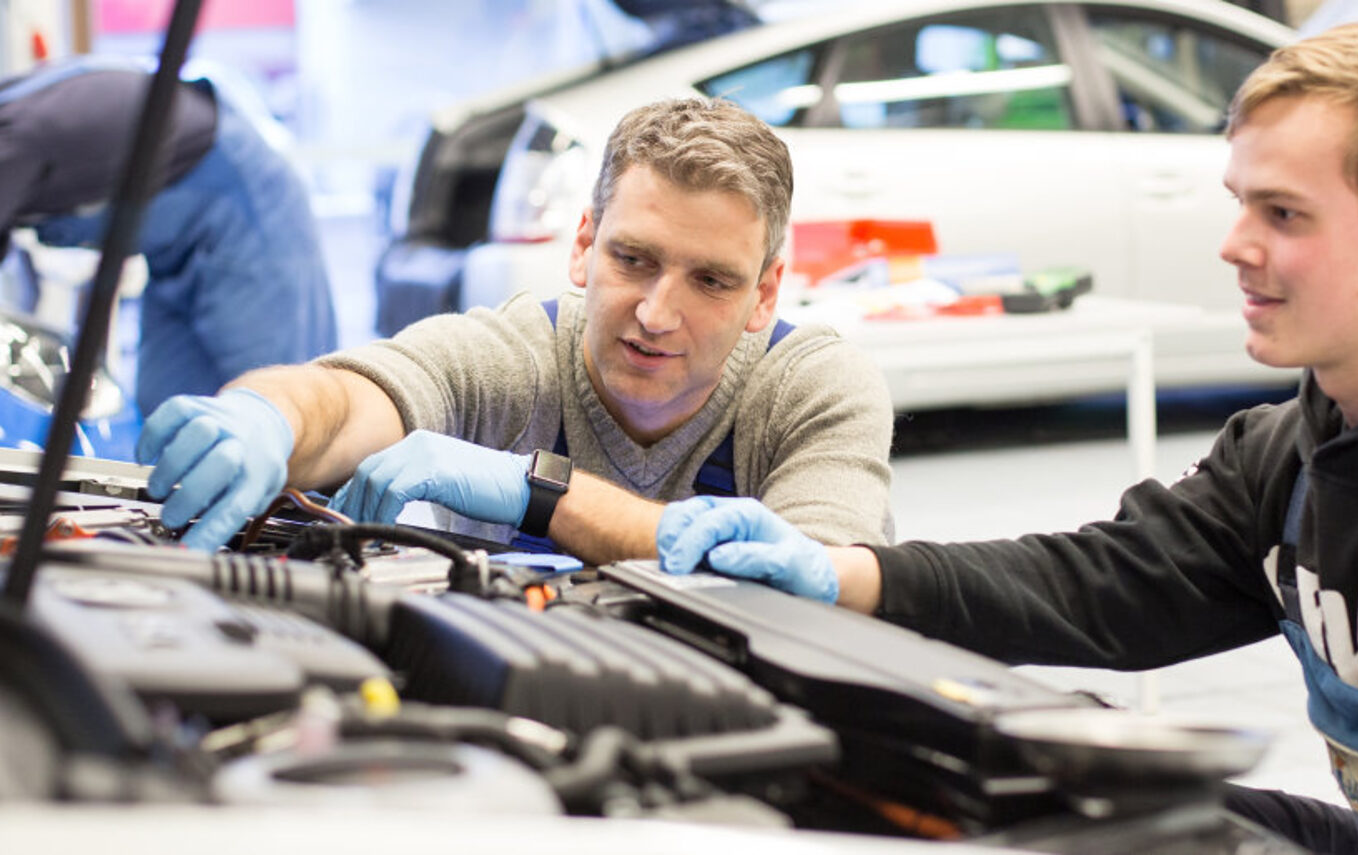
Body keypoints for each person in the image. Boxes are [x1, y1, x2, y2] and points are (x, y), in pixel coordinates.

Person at [657, 23, 1358, 855]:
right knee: (1039, 792)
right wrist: (849, 573)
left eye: (1285, 214)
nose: (1234, 245)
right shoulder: (1292, 454)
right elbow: (1101, 585)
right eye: (1239, 204)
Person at [138, 96, 894, 561]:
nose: (658, 314)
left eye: (712, 281)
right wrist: (267, 416)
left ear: (764, 294)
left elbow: (821, 584)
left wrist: (539, 495)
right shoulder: (518, 357)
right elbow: (342, 403)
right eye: (633, 258)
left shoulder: (814, 389)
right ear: (581, 246)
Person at [0, 58, 337, 416]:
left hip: (246, 209)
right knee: (167, 421)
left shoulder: (13, 139)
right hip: (172, 247)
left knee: (272, 412)